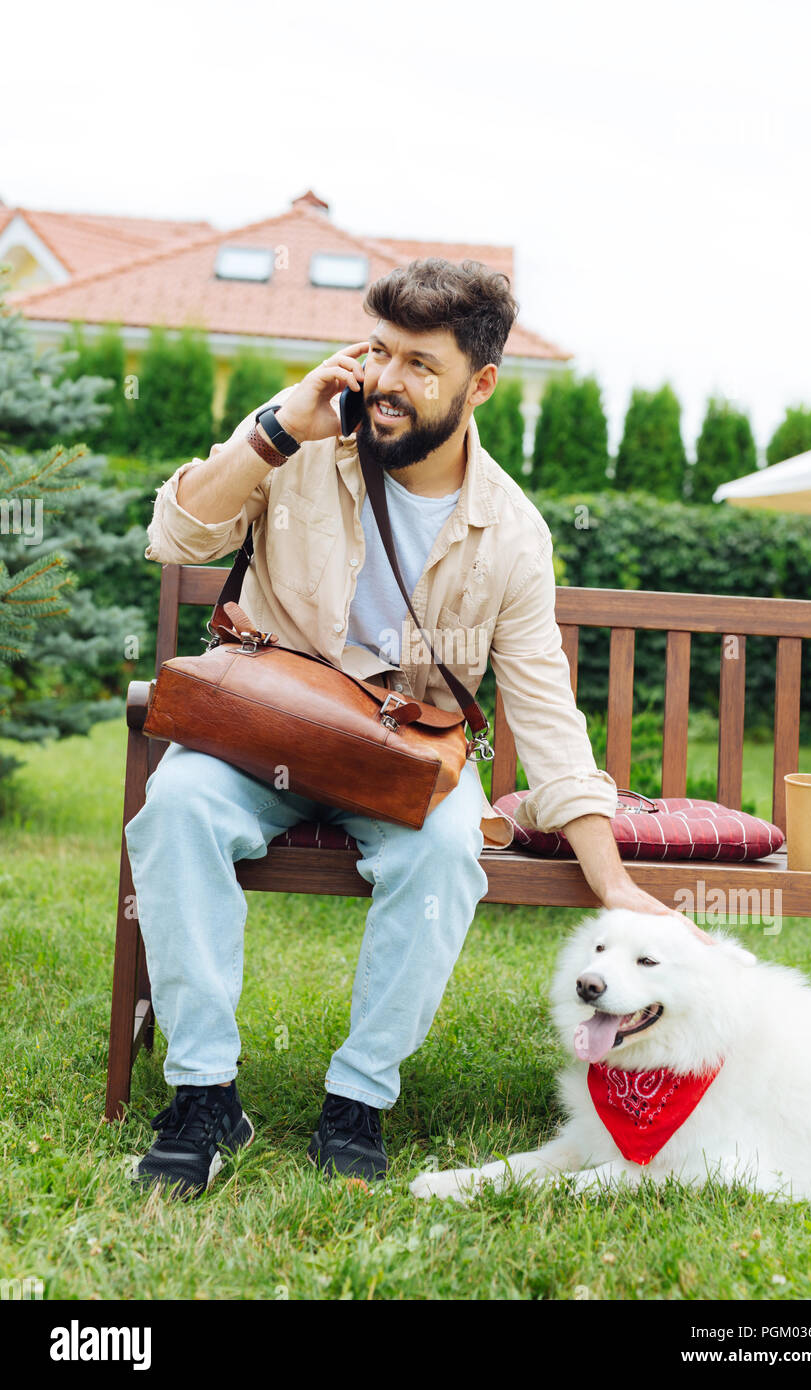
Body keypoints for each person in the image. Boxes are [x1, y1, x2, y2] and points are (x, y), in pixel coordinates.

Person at [126, 258, 706, 1199]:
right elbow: (175, 537)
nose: (386, 381)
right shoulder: (299, 437)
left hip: (405, 757)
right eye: (381, 351)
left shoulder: (511, 532)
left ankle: (357, 1100)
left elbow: (543, 707)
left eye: (420, 365)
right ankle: (203, 1094)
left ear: (481, 384)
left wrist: (609, 879)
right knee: (178, 805)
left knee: (444, 853)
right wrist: (274, 431)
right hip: (259, 734)